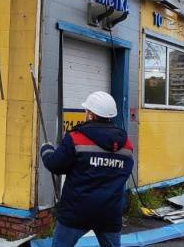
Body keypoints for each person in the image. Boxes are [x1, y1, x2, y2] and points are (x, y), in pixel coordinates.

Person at [41, 91, 134, 247]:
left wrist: (47, 150)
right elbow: (124, 173)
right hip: (109, 213)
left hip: (75, 212)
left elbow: (56, 165)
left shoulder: (76, 138)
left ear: (91, 115)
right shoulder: (126, 144)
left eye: (87, 111)